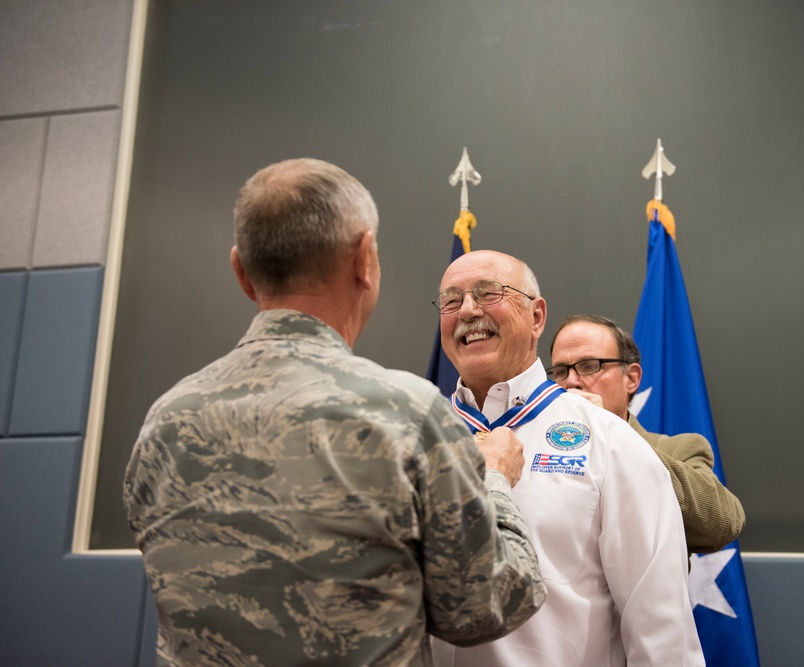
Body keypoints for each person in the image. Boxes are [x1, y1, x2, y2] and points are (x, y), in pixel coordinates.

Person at [122, 158, 546, 667]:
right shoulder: (404, 415)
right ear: (364, 259)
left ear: (241, 270)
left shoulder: (165, 423)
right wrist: (494, 481)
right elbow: (488, 605)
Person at [430, 250, 704, 667]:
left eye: (488, 293)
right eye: (451, 300)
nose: (467, 309)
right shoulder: (411, 440)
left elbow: (663, 634)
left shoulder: (610, 442)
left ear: (537, 317)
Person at [549, 314, 746, 555]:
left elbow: (722, 524)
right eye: (560, 371)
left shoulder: (678, 448)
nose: (571, 381)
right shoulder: (532, 448)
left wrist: (616, 438)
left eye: (590, 366)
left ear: (631, 378)